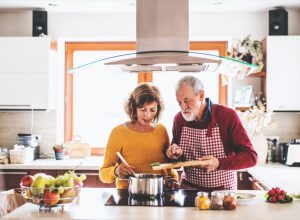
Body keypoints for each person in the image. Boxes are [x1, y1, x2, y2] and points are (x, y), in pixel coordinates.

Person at [166, 76, 257, 191]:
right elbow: (177, 160)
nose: (183, 107)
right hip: (188, 191)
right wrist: (174, 155)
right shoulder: (179, 119)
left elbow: (251, 157)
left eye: (187, 100)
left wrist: (218, 163)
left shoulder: (227, 116)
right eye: (179, 102)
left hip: (223, 193)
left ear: (201, 95)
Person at [100, 83, 178, 189]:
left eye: (152, 110)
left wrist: (173, 178)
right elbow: (103, 174)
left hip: (158, 191)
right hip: (128, 194)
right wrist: (116, 171)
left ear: (158, 109)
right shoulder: (118, 132)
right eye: (143, 110)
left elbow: (168, 166)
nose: (148, 115)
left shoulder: (161, 130)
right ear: (133, 108)